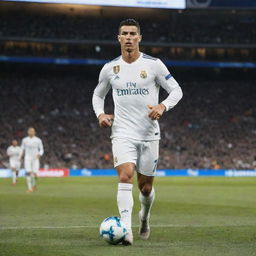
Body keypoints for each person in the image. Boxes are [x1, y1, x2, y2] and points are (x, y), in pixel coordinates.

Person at [92, 19, 183, 245]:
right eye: (125, 33)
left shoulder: (154, 65)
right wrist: (100, 114)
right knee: (125, 175)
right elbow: (97, 95)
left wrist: (163, 106)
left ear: (139, 38)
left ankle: (144, 217)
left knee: (146, 188)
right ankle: (125, 229)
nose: (129, 37)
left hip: (149, 134)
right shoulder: (110, 68)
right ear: (119, 38)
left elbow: (177, 90)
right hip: (122, 132)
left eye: (133, 33)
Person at [20, 127, 44, 192]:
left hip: (35, 158)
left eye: (32, 131)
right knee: (28, 172)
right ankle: (29, 188)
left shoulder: (38, 140)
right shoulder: (24, 140)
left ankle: (34, 185)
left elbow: (41, 149)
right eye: (30, 131)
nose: (31, 132)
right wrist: (20, 156)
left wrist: (40, 154)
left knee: (34, 173)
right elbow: (22, 148)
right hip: (27, 158)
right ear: (28, 132)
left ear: (35, 132)